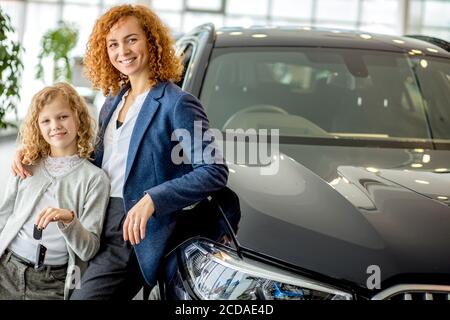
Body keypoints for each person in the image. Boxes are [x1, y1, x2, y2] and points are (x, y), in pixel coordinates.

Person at [12, 4, 228, 300]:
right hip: (92, 219)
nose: (122, 51)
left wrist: (154, 198)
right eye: (113, 44)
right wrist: (33, 153)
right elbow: (92, 159)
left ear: (151, 42)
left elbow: (213, 170)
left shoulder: (177, 104)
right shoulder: (112, 101)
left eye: (131, 39)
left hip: (130, 233)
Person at [1, 82, 110, 300]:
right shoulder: (26, 164)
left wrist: (70, 220)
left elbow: (88, 250)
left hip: (53, 282)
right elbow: (4, 216)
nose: (55, 125)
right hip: (7, 270)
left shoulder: (95, 180)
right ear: (38, 127)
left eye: (63, 117)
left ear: (78, 118)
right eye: (46, 120)